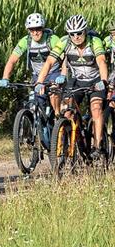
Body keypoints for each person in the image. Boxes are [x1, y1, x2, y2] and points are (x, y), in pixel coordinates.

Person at [35, 14, 109, 159]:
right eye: (72, 34)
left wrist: (104, 81)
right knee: (66, 111)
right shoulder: (65, 42)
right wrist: (39, 82)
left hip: (95, 81)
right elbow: (49, 62)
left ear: (85, 31)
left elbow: (101, 62)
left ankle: (97, 146)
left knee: (96, 109)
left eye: (79, 33)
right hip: (76, 81)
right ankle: (67, 144)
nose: (76, 37)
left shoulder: (95, 42)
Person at [0, 13, 63, 115]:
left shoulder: (52, 39)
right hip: (37, 75)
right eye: (32, 30)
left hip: (54, 73)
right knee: (35, 104)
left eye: (38, 29)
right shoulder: (26, 41)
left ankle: (58, 118)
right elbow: (12, 61)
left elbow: (65, 59)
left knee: (54, 94)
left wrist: (63, 75)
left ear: (42, 28)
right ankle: (39, 126)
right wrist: (5, 77)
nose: (35, 33)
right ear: (28, 30)